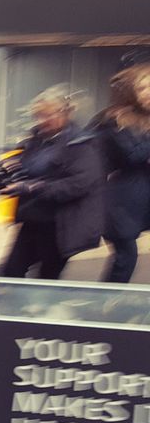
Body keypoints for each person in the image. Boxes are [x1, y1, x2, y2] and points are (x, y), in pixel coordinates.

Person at [0, 85, 103, 279]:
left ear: (65, 113)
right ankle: (19, 308)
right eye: (37, 116)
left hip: (61, 223)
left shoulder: (82, 144)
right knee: (10, 272)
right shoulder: (36, 140)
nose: (41, 121)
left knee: (47, 278)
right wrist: (15, 167)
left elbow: (80, 183)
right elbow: (31, 168)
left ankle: (40, 308)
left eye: (47, 115)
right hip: (34, 217)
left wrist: (34, 187)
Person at [95, 64, 150, 282]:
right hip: (120, 199)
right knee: (126, 256)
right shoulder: (114, 119)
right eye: (143, 88)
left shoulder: (145, 121)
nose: (149, 93)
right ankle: (105, 301)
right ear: (129, 92)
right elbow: (132, 155)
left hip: (141, 195)